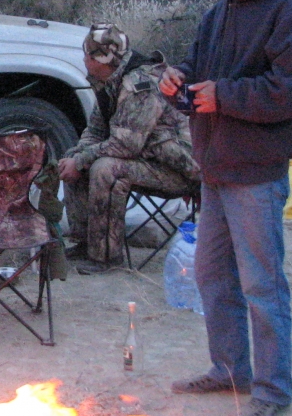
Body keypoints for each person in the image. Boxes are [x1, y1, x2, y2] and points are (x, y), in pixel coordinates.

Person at [160, 0, 292, 416]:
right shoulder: (219, 9)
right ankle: (229, 370)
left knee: (262, 284)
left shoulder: (286, 10)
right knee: (211, 275)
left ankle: (273, 389)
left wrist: (223, 95)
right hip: (217, 166)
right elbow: (199, 65)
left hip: (256, 170)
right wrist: (179, 79)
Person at [58, 24, 199, 276]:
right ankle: (86, 242)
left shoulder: (140, 84)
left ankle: (106, 256)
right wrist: (76, 156)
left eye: (87, 55)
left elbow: (126, 144)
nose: (84, 60)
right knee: (76, 157)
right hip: (147, 159)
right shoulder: (109, 81)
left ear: (100, 59)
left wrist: (82, 161)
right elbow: (96, 130)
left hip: (177, 168)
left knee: (104, 168)